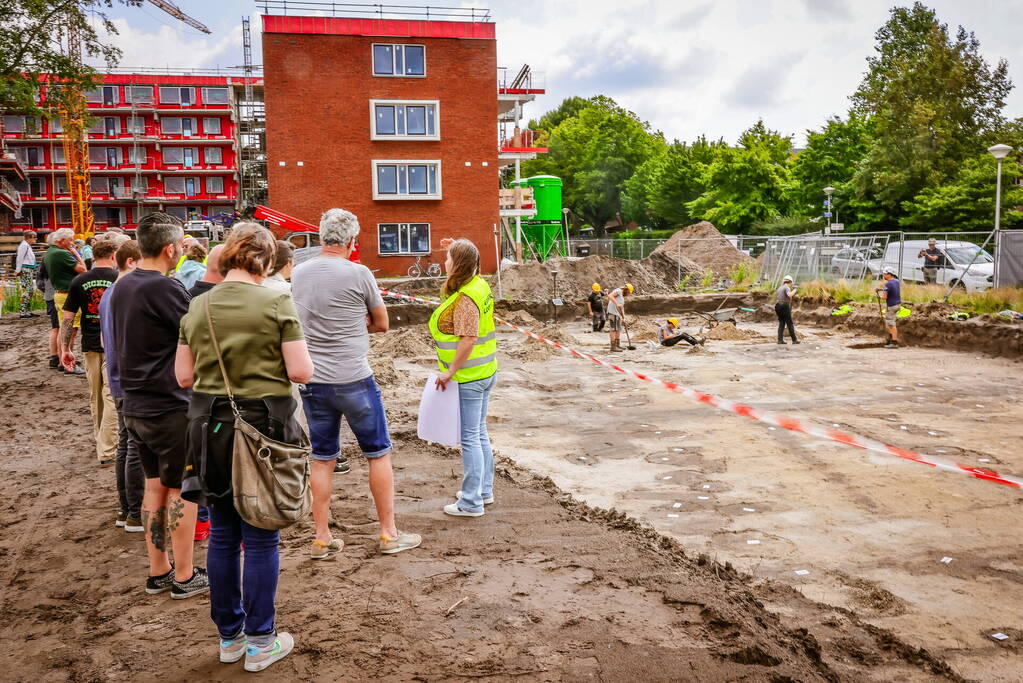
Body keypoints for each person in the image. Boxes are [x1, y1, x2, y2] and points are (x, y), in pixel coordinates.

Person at [177, 223, 312, 672]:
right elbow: (301, 371)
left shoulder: (197, 306)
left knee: (221, 536)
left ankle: (229, 639)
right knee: (261, 536)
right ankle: (261, 641)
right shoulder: (277, 300)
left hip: (208, 430)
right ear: (266, 259)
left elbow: (183, 377)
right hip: (263, 429)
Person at [292, 208, 421, 558]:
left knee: (322, 458)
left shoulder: (299, 273)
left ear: (320, 237)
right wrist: (355, 323)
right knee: (377, 453)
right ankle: (388, 534)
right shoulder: (359, 272)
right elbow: (382, 324)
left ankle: (321, 538)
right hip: (353, 378)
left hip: (313, 380)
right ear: (352, 241)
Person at [107, 211, 208, 599]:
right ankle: (184, 575)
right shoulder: (163, 288)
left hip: (135, 403)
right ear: (171, 248)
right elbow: (197, 332)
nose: (183, 250)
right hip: (169, 406)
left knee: (155, 488)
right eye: (181, 244)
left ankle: (159, 570)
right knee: (184, 490)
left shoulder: (125, 284)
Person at [429, 239, 499, 517]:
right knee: (479, 433)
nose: (444, 262)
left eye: (448, 257)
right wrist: (458, 244)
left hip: (470, 377)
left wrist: (450, 372)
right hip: (485, 372)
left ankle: (471, 502)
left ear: (456, 264)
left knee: (470, 438)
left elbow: (468, 339)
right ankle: (483, 490)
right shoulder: (479, 285)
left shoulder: (467, 298)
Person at [60, 234, 126, 464]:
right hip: (112, 343)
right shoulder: (120, 278)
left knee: (95, 396)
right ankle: (108, 449)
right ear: (114, 256)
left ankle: (100, 439)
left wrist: (64, 348)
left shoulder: (79, 281)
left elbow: (68, 319)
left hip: (89, 344)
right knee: (110, 395)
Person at [99, 239, 145, 532]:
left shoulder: (109, 294)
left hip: (117, 375)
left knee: (126, 446)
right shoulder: (126, 293)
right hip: (129, 379)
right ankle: (135, 511)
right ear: (131, 261)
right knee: (136, 448)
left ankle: (126, 507)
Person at [44, 228, 88, 372]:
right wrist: (75, 252)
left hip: (58, 294)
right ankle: (67, 363)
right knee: (71, 330)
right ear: (61, 240)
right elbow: (83, 269)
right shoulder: (61, 253)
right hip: (67, 295)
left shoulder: (50, 252)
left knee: (63, 329)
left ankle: (61, 359)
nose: (72, 243)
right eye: (70, 239)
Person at [15, 230, 40, 318]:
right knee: (27, 290)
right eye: (35, 237)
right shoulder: (24, 246)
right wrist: (18, 270)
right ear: (29, 238)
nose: (36, 239)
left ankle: (27, 311)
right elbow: (20, 258)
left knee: (29, 290)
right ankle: (23, 311)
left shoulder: (26, 245)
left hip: (28, 269)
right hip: (25, 269)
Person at [877, 267, 902, 349]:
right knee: (889, 322)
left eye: (884, 274)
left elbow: (884, 297)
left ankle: (894, 342)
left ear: (889, 274)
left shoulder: (887, 284)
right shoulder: (896, 281)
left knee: (891, 324)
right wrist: (881, 289)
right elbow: (891, 289)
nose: (883, 275)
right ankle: (891, 338)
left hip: (891, 306)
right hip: (897, 304)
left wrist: (879, 296)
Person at [605, 283, 633, 352]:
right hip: (613, 312)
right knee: (613, 329)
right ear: (626, 290)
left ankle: (617, 345)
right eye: (629, 292)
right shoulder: (619, 291)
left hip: (617, 314)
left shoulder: (621, 296)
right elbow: (610, 296)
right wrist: (616, 303)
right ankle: (613, 346)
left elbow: (622, 308)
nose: (628, 294)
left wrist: (624, 318)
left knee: (618, 329)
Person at [775, 276, 799, 345]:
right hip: (784, 306)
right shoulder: (786, 287)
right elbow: (790, 295)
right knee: (789, 323)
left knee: (782, 323)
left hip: (778, 306)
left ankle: (780, 340)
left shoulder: (780, 288)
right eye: (791, 282)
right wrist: (795, 289)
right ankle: (794, 340)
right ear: (790, 282)